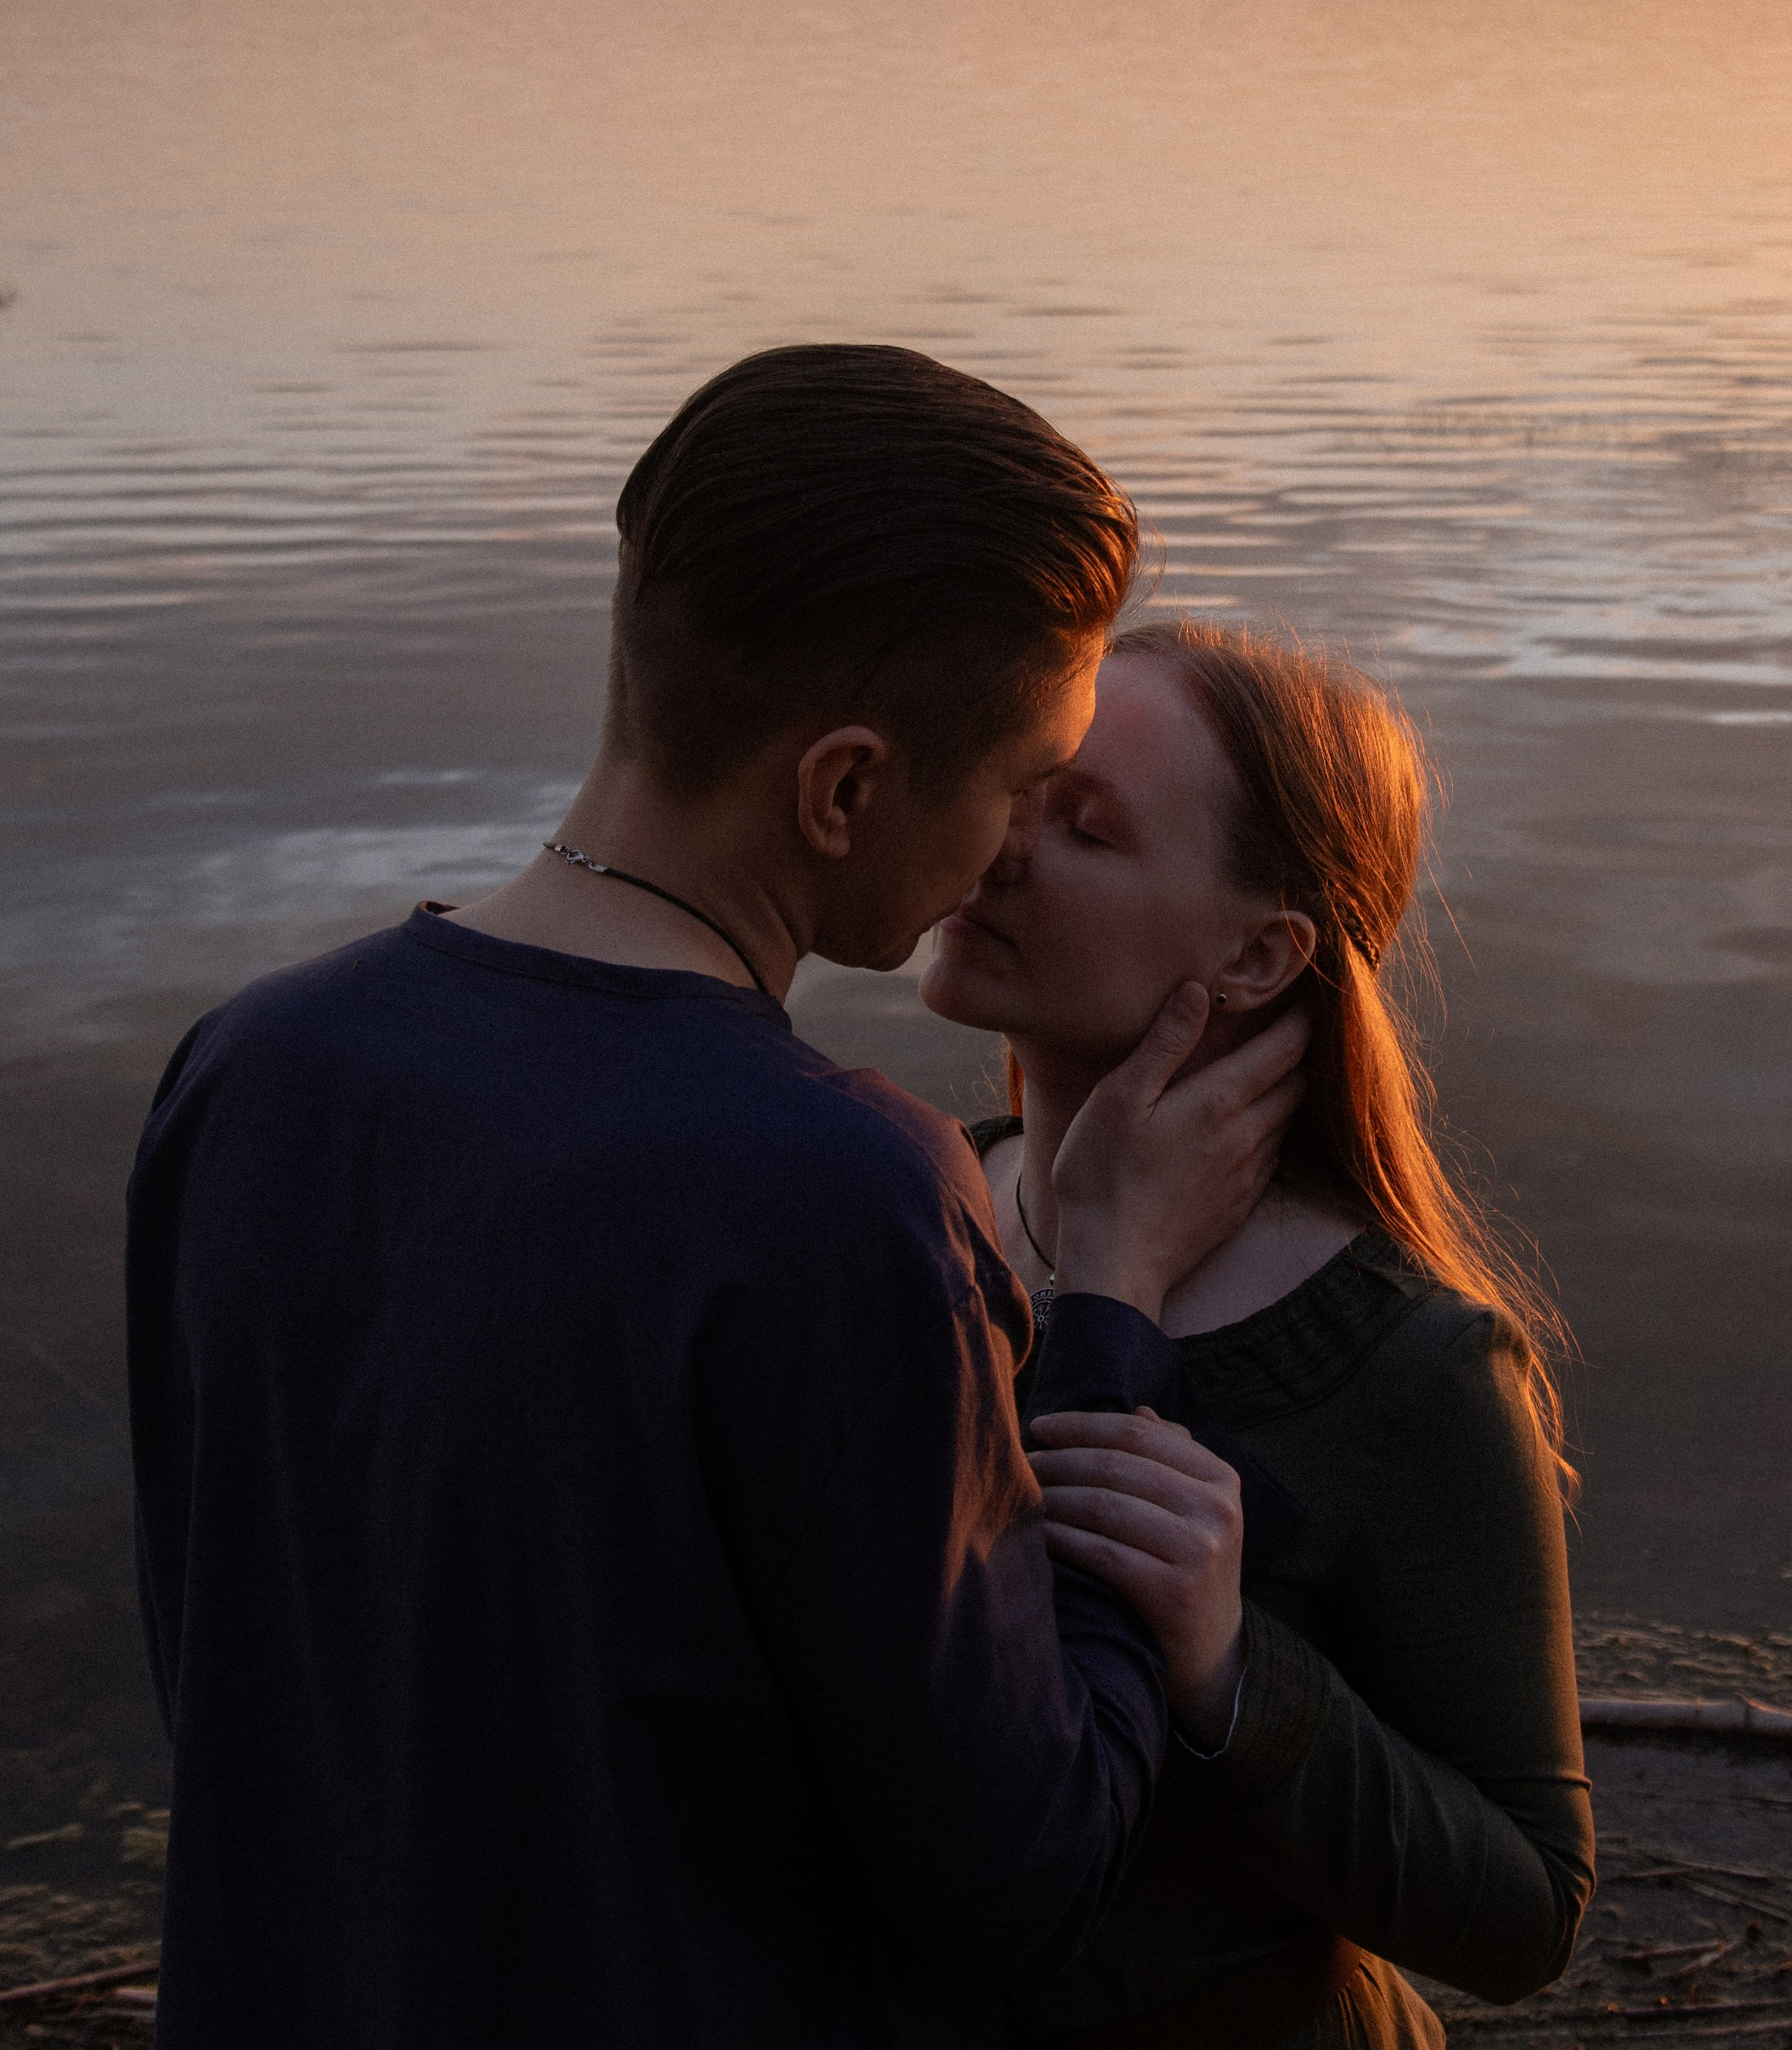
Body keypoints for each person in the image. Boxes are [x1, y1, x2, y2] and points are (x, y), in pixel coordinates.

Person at [126, 348, 1308, 2050]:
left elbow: (238, 1669)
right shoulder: (831, 1198)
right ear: (843, 788)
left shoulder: (244, 1069)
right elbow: (1020, 1870)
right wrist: (1107, 1316)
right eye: (1008, 786)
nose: (1002, 853)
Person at [923, 618, 1596, 2050]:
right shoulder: (906, 1214)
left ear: (1258, 953)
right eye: (1019, 786)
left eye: (1087, 831)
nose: (999, 844)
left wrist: (1234, 1673)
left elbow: (1528, 1912)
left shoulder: (1410, 1367)